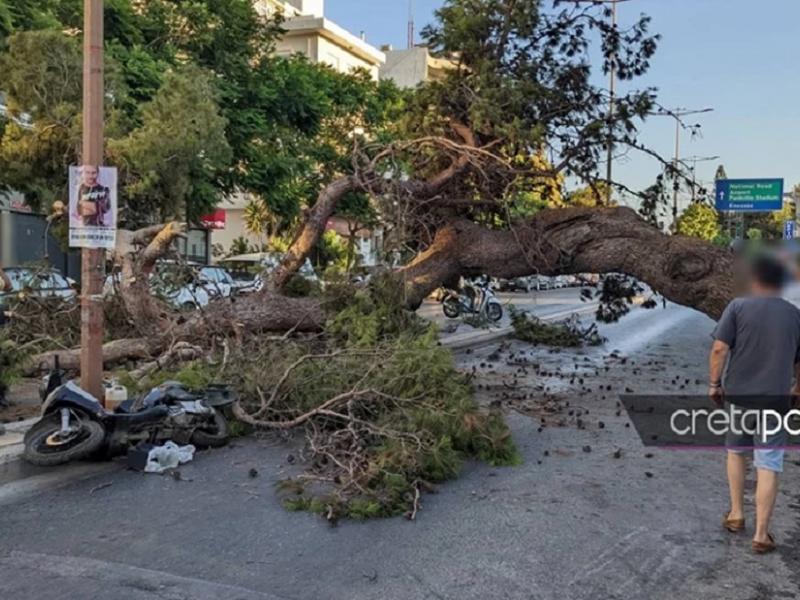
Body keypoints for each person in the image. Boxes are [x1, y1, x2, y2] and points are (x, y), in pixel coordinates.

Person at [708, 254, 800, 554]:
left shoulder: (738, 306)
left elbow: (720, 349)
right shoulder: (794, 314)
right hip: (776, 400)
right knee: (769, 463)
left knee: (735, 453)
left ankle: (736, 514)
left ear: (755, 279)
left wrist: (714, 383)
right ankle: (761, 534)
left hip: (739, 397)